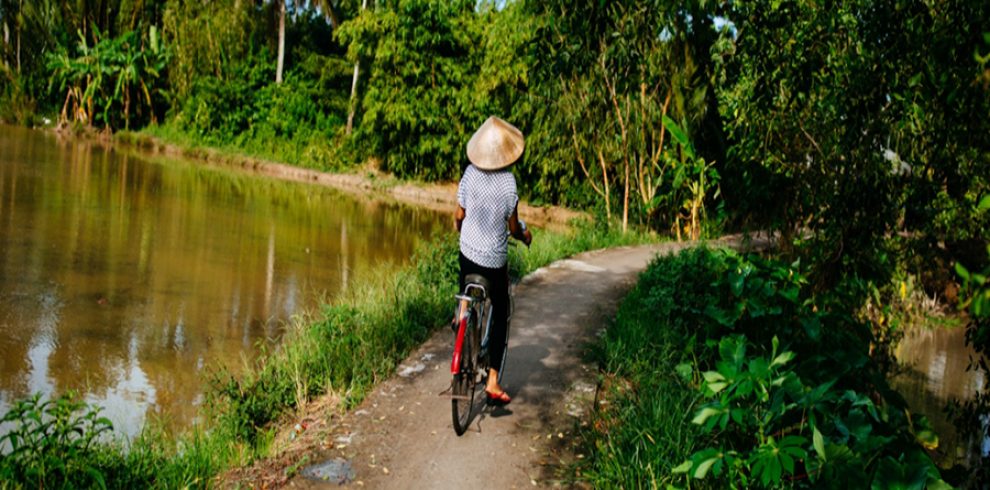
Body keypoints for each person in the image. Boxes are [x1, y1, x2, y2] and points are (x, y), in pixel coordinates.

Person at [455, 116, 532, 405]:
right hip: (494, 263)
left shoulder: (469, 174)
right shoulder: (509, 184)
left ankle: (461, 313)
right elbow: (513, 228)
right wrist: (524, 235)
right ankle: (493, 382)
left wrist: (461, 229)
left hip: (469, 256)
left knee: (464, 269)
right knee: (501, 310)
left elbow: (459, 215)